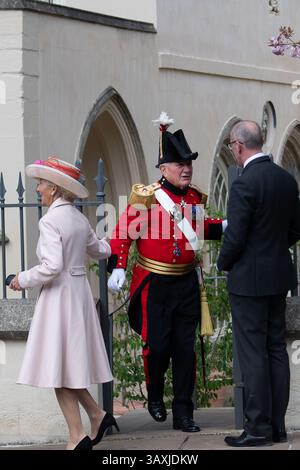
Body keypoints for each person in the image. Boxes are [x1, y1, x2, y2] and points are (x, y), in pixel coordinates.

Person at [107, 113, 225, 432]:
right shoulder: (146, 199)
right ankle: (155, 395)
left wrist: (225, 226)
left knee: (186, 350)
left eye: (189, 163)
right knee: (157, 347)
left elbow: (198, 228)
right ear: (163, 169)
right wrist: (118, 265)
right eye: (180, 164)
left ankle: (184, 412)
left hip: (186, 282)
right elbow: (121, 234)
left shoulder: (194, 199)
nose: (187, 168)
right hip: (154, 284)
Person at [9, 157, 119, 450]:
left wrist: (21, 278)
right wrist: (118, 242)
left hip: (58, 299)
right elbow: (101, 249)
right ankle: (97, 415)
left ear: (55, 189)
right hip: (79, 296)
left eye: (42, 184)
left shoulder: (49, 221)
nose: (38, 189)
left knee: (57, 369)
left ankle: (77, 437)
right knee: (66, 366)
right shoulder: (78, 218)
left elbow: (51, 266)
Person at [217, 120, 300, 447]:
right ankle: (277, 427)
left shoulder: (244, 184)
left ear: (238, 145)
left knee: (253, 355)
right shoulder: (285, 179)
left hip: (248, 281)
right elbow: (296, 229)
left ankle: (257, 428)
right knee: (275, 350)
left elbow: (234, 237)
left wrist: (224, 263)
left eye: (231, 147)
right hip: (278, 276)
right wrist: (274, 246)